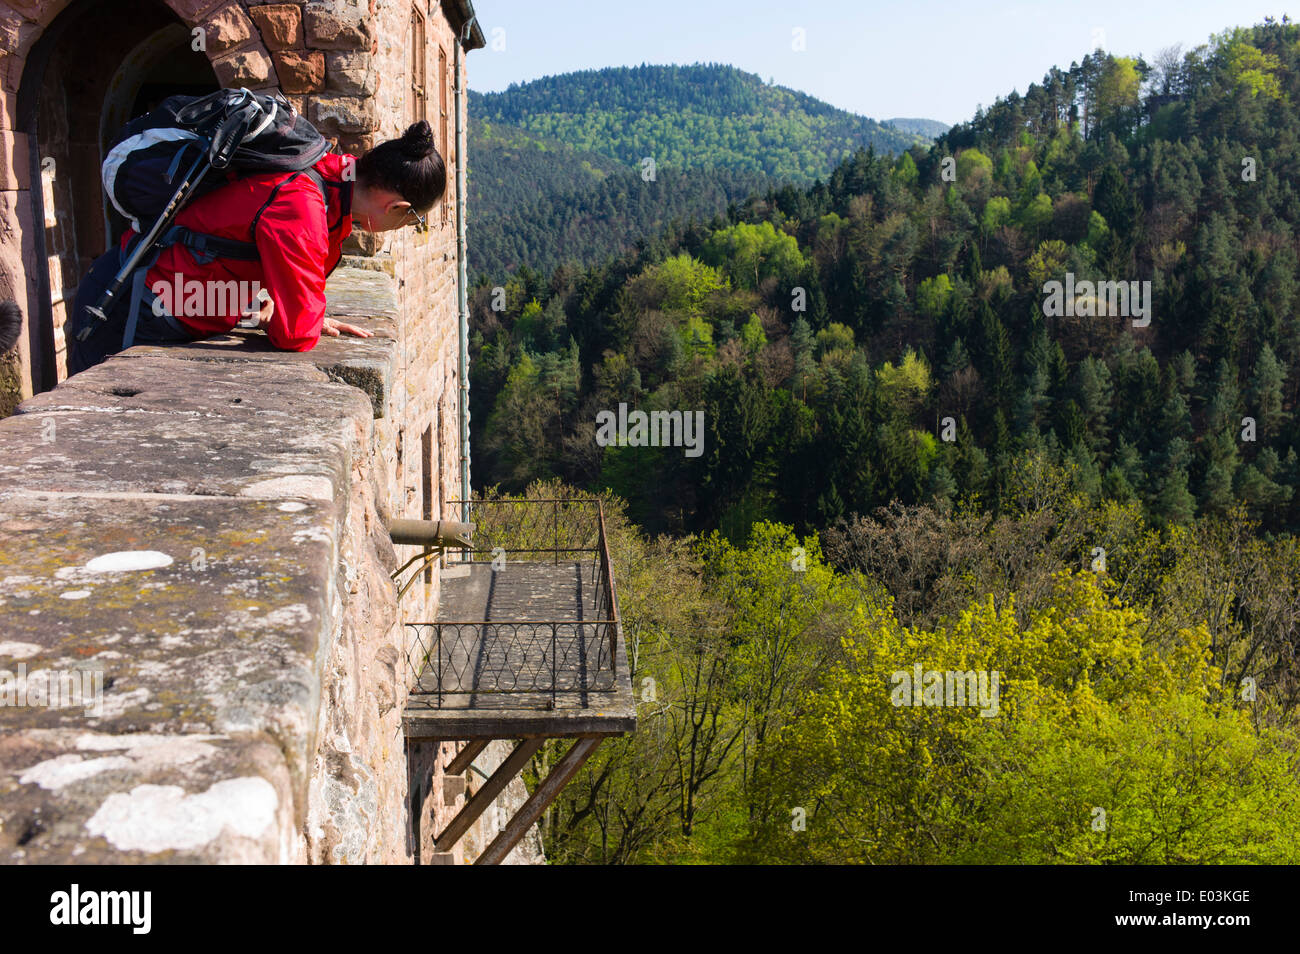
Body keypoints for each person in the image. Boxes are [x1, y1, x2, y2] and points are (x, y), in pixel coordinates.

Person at [67, 119, 444, 375]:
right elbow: (295, 334)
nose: (405, 227)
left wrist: (298, 312)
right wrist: (302, 317)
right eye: (414, 222)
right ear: (397, 208)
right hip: (129, 309)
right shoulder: (305, 206)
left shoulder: (329, 180)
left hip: (152, 296)